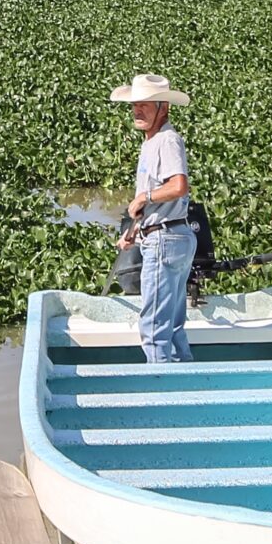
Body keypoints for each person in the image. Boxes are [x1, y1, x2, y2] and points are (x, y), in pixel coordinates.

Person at [111, 73, 193, 363]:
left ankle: (163, 392)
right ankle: (186, 389)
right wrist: (134, 231)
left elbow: (178, 186)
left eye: (145, 104)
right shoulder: (151, 142)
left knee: (154, 329)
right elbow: (154, 198)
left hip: (166, 240)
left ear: (164, 108)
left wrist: (144, 198)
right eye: (135, 104)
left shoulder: (167, 141)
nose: (137, 110)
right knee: (173, 327)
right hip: (164, 235)